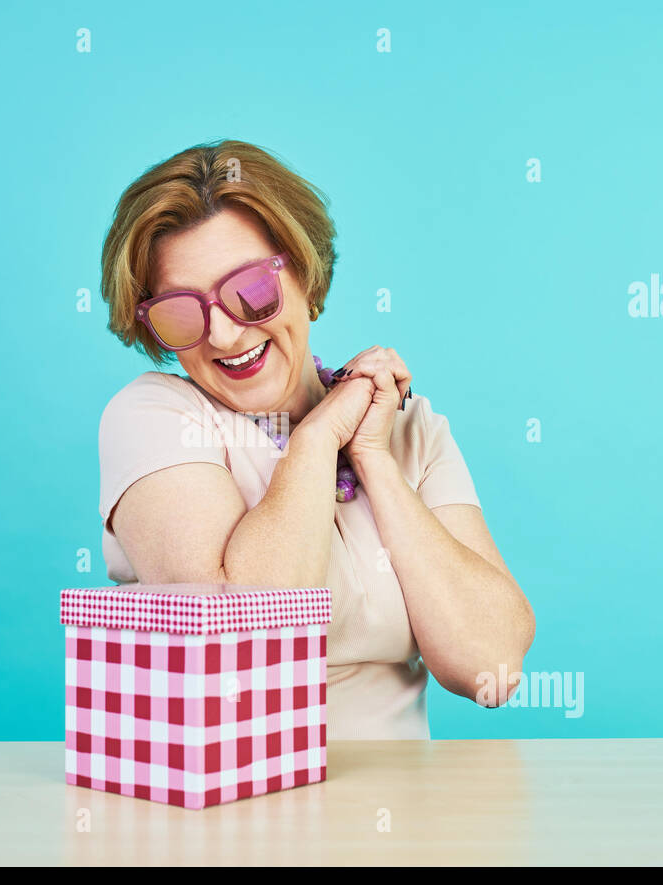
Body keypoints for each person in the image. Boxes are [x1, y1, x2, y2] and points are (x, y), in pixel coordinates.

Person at [96, 140, 534, 738]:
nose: (224, 335)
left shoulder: (407, 427)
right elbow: (240, 641)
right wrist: (318, 436)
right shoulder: (153, 415)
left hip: (407, 818)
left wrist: (373, 457)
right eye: (180, 313)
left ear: (304, 273)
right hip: (233, 814)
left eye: (251, 291)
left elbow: (491, 665)